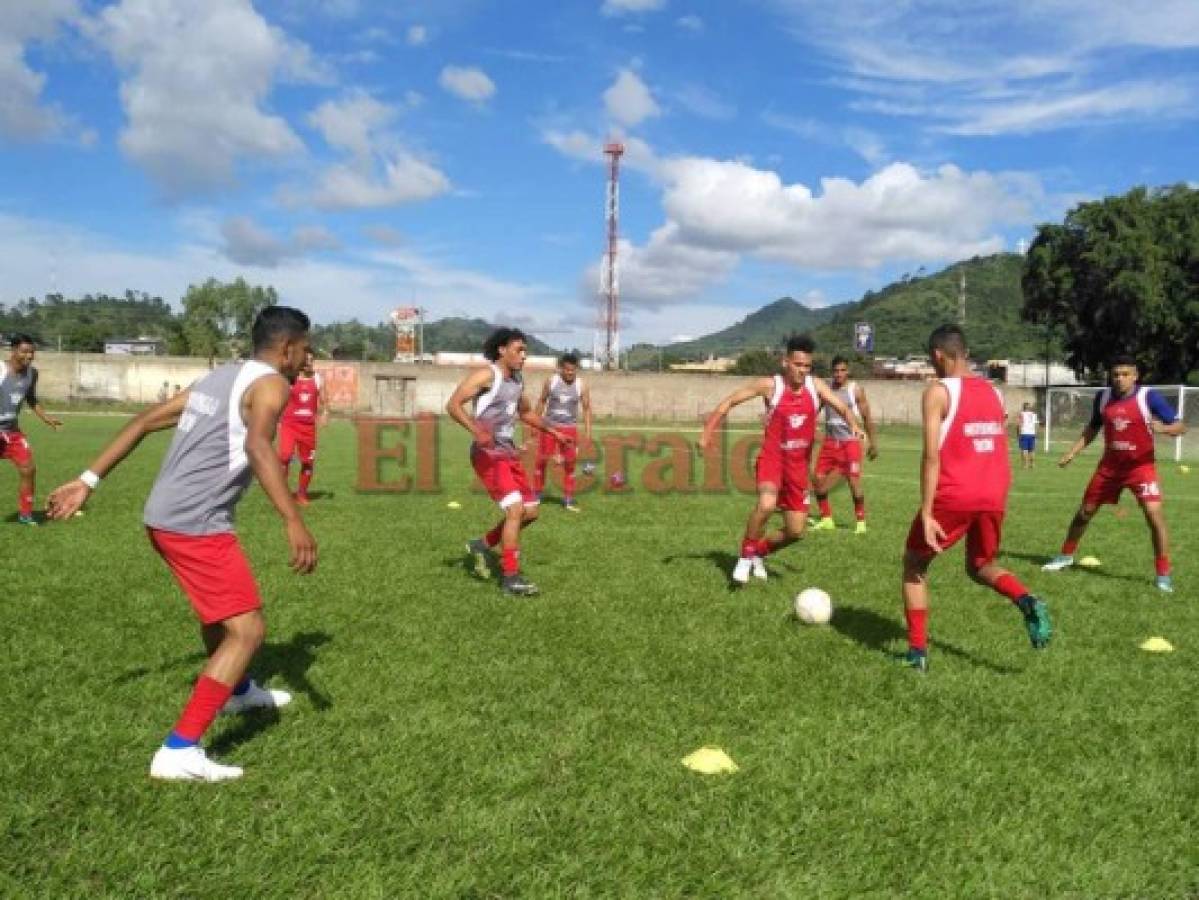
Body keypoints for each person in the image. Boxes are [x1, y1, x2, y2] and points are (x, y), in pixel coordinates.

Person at [46, 307, 318, 782]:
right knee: (248, 630)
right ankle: (179, 749)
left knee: (221, 616)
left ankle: (237, 692)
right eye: (305, 348)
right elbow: (259, 447)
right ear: (287, 347)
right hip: (195, 522)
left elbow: (144, 421)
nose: (306, 358)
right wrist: (292, 519)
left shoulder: (219, 378)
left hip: (164, 517)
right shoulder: (273, 384)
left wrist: (87, 480)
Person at [900, 325, 1051, 672]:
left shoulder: (938, 392)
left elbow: (931, 455)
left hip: (956, 493)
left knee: (914, 565)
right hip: (994, 492)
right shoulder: (994, 393)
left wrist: (926, 511)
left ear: (938, 356)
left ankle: (917, 654)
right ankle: (1026, 600)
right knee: (981, 565)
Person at [699, 334, 862, 585]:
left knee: (796, 531)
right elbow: (730, 401)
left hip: (798, 469)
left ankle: (759, 553)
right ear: (785, 362)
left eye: (807, 366)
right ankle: (745, 556)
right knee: (766, 505)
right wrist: (708, 432)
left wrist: (853, 424)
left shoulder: (815, 385)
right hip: (772, 460)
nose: (803, 371)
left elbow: (841, 407)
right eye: (798, 365)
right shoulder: (770, 385)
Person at [1041, 355, 1186, 592]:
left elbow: (1181, 426)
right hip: (1109, 468)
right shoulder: (1103, 397)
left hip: (1141, 468)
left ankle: (1163, 574)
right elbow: (1092, 428)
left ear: (1135, 376)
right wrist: (1072, 452)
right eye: (1115, 374)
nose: (1119, 379)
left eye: (1125, 374)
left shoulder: (1148, 397)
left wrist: (1165, 428)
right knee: (1084, 513)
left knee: (1154, 515)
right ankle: (1065, 556)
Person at [445, 327, 572, 596]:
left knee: (531, 512)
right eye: (519, 350)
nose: (524, 356)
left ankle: (483, 543)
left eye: (525, 350)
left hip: (508, 452)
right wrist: (476, 429)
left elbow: (526, 413)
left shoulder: (516, 381)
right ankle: (510, 577)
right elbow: (453, 405)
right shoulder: (486, 374)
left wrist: (554, 431)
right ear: (502, 350)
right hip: (488, 455)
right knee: (515, 510)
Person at [810, 355, 878, 534]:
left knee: (853, 482)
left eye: (842, 370)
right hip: (830, 443)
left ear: (847, 371)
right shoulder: (826, 389)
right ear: (832, 372)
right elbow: (814, 411)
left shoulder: (855, 390)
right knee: (817, 479)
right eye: (836, 371)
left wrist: (873, 443)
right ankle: (826, 519)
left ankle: (861, 522)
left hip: (850, 443)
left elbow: (867, 418)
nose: (839, 374)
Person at [1, 333, 63, 525]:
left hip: (12, 432)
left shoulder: (32, 374)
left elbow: (31, 398)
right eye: (24, 351)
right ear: (13, 350)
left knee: (29, 469)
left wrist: (46, 418)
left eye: (32, 352)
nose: (29, 356)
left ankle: (25, 514)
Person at [533, 352, 592, 511]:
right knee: (542, 461)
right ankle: (537, 495)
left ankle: (568, 499)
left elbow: (586, 409)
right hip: (549, 427)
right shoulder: (551, 381)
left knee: (570, 465)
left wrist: (587, 433)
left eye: (573, 370)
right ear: (561, 369)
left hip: (569, 429)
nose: (570, 373)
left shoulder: (582, 385)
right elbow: (541, 401)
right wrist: (535, 423)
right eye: (567, 370)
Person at [277, 349, 328, 505]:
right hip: (289, 425)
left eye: (310, 360)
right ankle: (282, 494)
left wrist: (325, 413)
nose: (307, 363)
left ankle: (302, 494)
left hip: (308, 427)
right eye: (305, 360)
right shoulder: (289, 377)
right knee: (285, 456)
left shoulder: (318, 379)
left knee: (307, 462)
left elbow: (325, 400)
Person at [1017, 401, 1038, 469]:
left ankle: (1025, 465)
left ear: (1023, 407)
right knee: (1032, 450)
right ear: (1029, 408)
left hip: (1024, 433)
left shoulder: (1021, 414)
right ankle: (1032, 464)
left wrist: (1019, 433)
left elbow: (1020, 424)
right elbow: (1035, 424)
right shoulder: (1034, 414)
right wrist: (1035, 433)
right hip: (1032, 433)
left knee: (1024, 449)